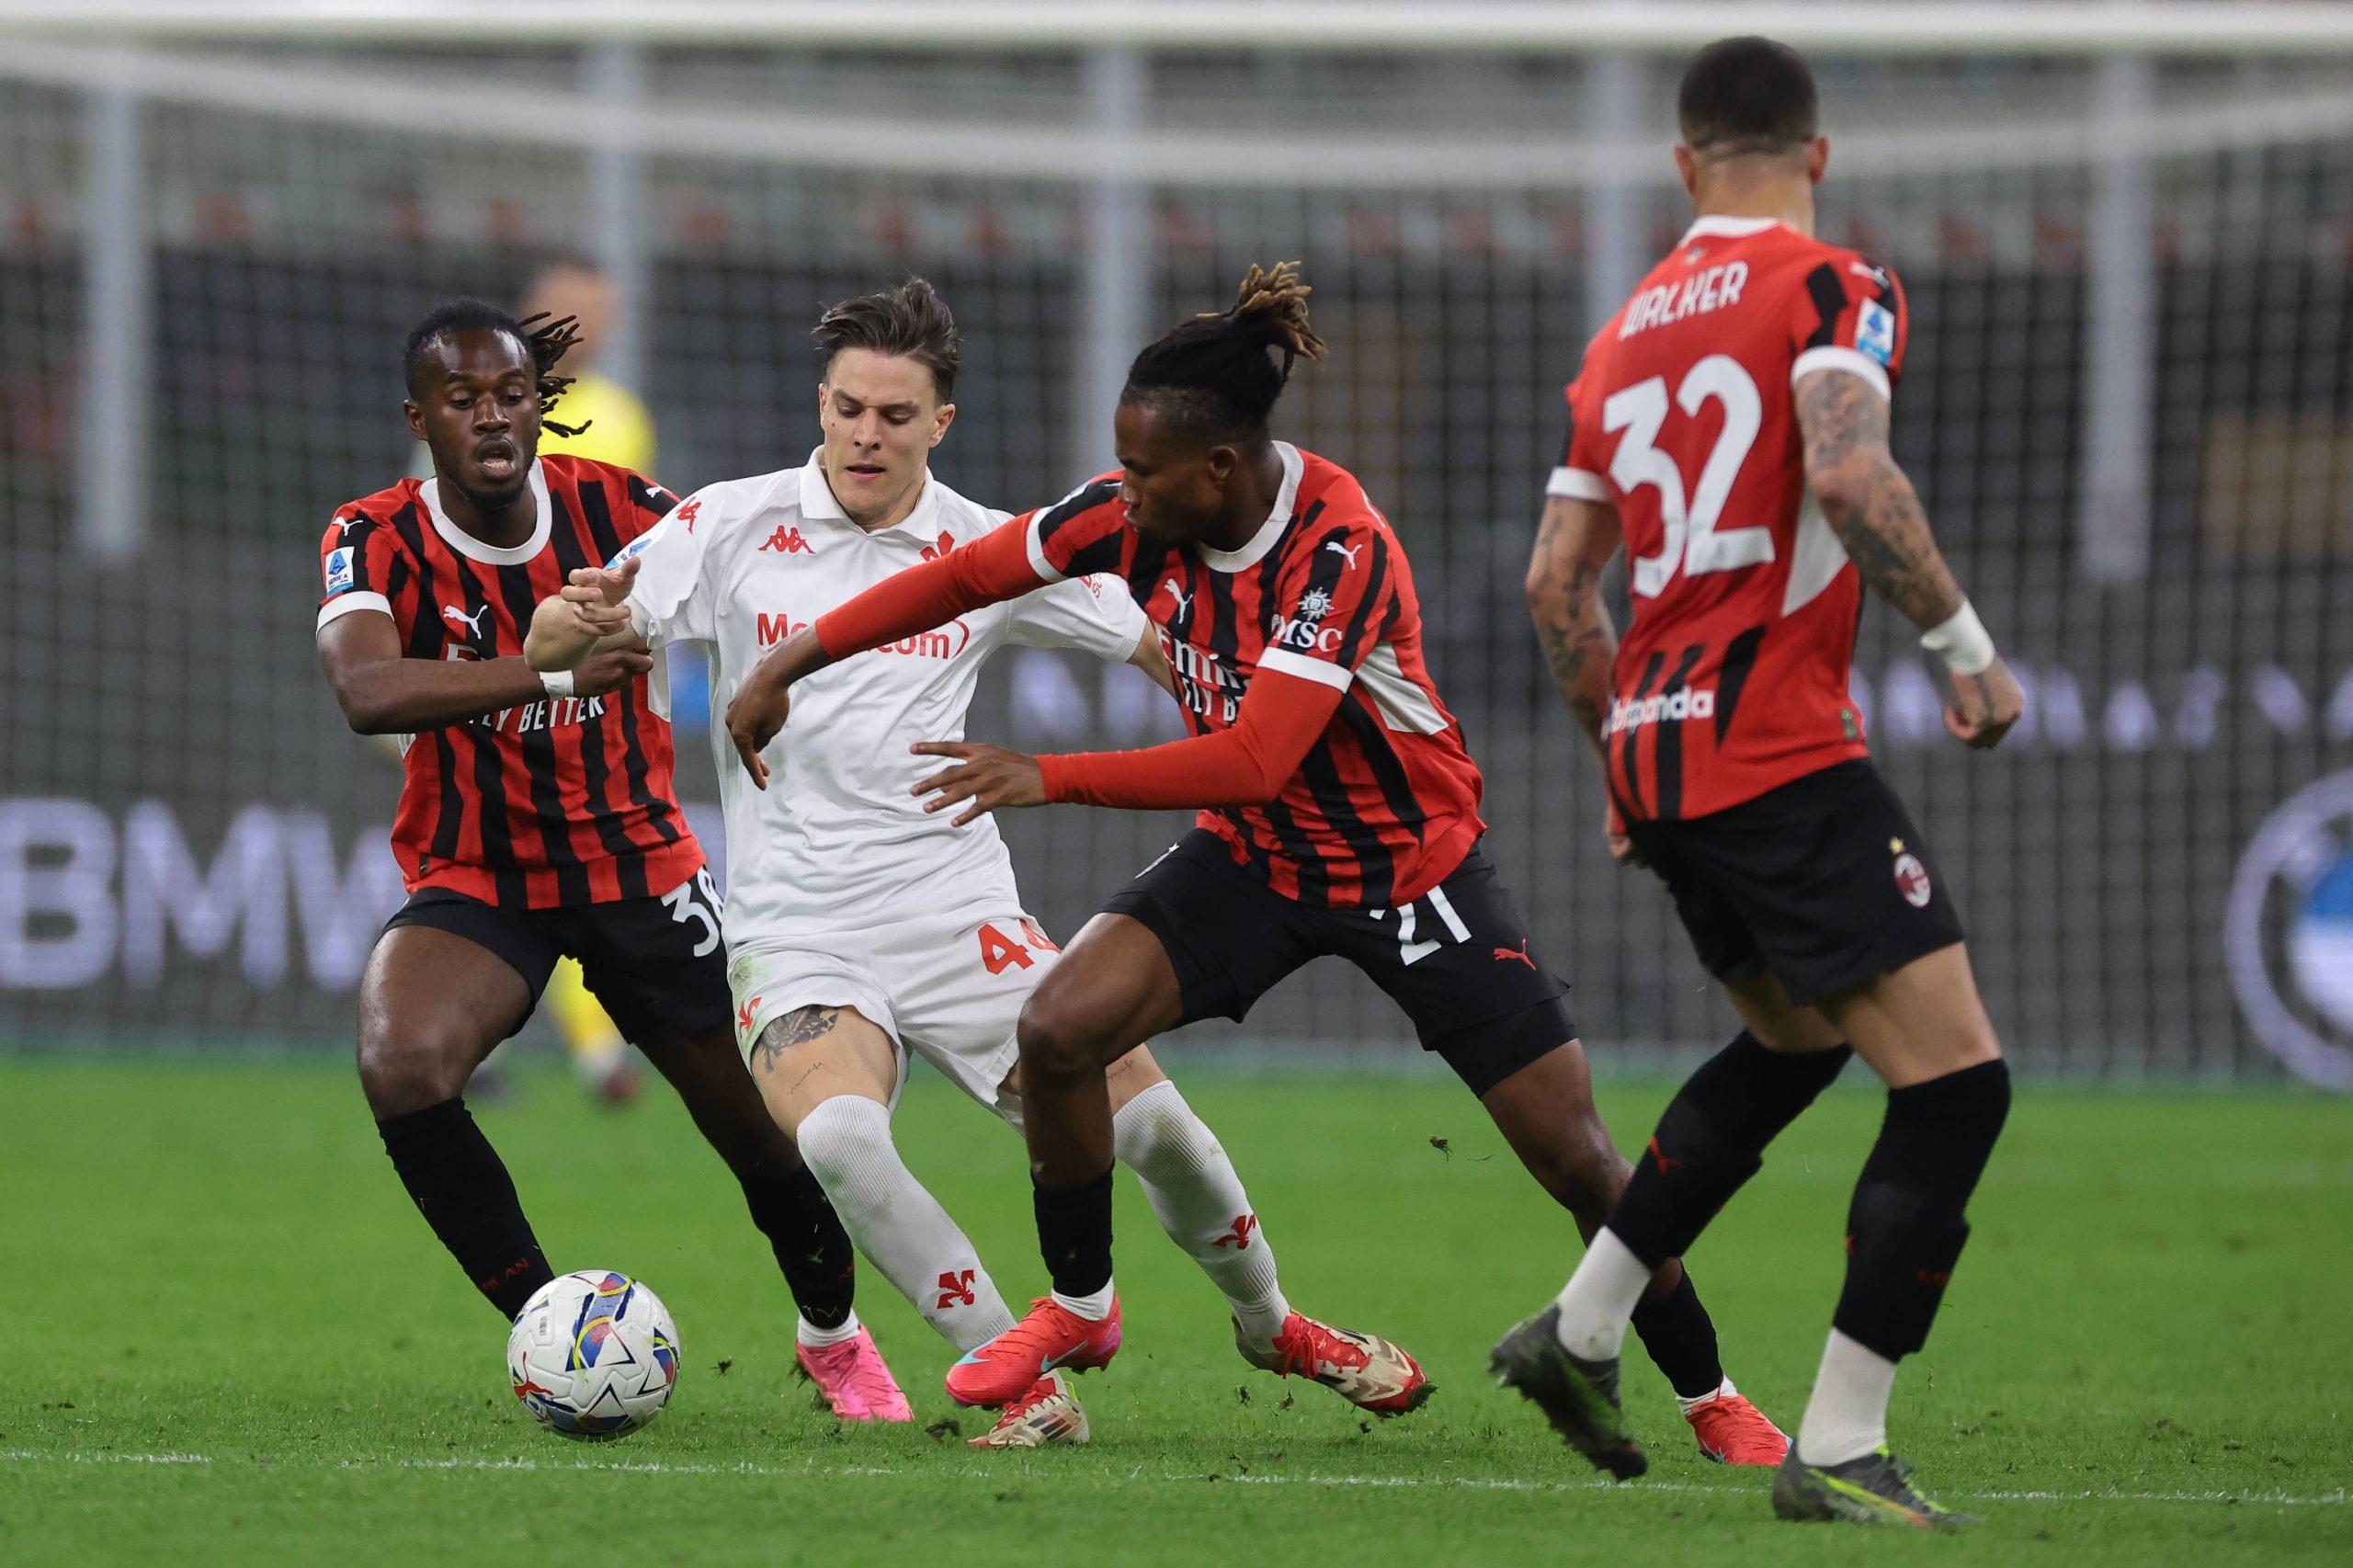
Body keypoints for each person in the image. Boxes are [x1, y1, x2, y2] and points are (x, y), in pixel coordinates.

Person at [721, 265, 1787, 1465]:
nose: (1121, 491)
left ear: (1220, 469)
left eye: (1144, 470)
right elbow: (971, 571)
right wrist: (789, 660)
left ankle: (1712, 1392)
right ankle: (1078, 1304)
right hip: (1258, 863)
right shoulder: (1133, 511)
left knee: (1572, 1150)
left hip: (1406, 869)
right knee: (1062, 1023)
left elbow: (1257, 755)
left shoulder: (1340, 548)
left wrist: (1049, 771)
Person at [529, 278, 1427, 1449]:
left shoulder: (983, 545)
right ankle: (1020, 1382)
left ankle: (1271, 1320)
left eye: (895, 416)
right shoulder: (728, 523)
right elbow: (562, 637)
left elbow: (1168, 650)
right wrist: (575, 615)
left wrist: (1292, 737)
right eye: (848, 407)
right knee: (838, 1139)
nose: (866, 433)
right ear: (821, 401)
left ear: (940, 422)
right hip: (794, 923)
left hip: (956, 912)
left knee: (1156, 1130)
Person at [1497, 37, 2024, 1529]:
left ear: (1682, 163)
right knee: (1959, 1085)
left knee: (1793, 1040)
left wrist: (1618, 759)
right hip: (1775, 745)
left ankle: (1585, 1329)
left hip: (1661, 750)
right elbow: (1849, 479)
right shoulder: (1830, 285)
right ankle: (1842, 1446)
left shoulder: (1616, 341)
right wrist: (1965, 647)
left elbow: (1555, 587)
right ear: (1818, 152)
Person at [314, 300, 881, 1418]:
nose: (490, 416)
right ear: (418, 415)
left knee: (771, 1133)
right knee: (401, 1058)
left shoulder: (626, 510)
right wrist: (557, 673)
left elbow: (766, 587)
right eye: (462, 398)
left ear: (541, 406)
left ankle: (836, 1337)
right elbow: (366, 690)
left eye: (511, 395)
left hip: (640, 867)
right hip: (479, 877)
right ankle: (553, 1327)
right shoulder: (370, 533)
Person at [517, 258, 662, 1108]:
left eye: (593, 313)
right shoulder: (473, 401)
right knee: (465, 842)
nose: (579, 326)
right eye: (565, 309)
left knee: (572, 846)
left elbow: (619, 547)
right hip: (478, 653)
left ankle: (596, 1047)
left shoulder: (617, 418)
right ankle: (470, 1046)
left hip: (570, 659)